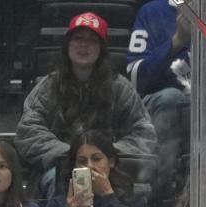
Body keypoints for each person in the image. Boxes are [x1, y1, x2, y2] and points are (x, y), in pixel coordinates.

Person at [16, 12, 156, 197]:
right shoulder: (48, 86)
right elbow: (28, 130)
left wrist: (103, 156)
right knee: (59, 181)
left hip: (111, 170)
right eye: (78, 38)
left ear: (101, 49)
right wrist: (73, 155)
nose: (84, 45)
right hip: (60, 170)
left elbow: (145, 133)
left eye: (92, 40)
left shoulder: (121, 88)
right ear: (67, 46)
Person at [126, 0, 206, 180]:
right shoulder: (152, 12)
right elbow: (135, 75)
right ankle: (161, 179)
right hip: (165, 102)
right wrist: (177, 41)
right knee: (170, 97)